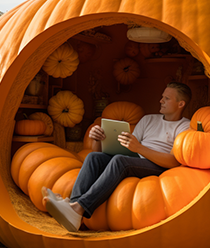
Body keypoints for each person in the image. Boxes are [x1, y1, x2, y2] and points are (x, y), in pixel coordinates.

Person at [43, 82, 192, 232]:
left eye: (166, 98)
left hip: (158, 166)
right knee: (94, 157)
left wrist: (139, 148)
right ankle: (74, 210)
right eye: (162, 97)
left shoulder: (185, 127)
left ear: (180, 104)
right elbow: (129, 148)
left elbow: (173, 161)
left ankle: (78, 208)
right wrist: (100, 140)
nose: (161, 101)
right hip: (135, 159)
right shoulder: (148, 120)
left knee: (120, 161)